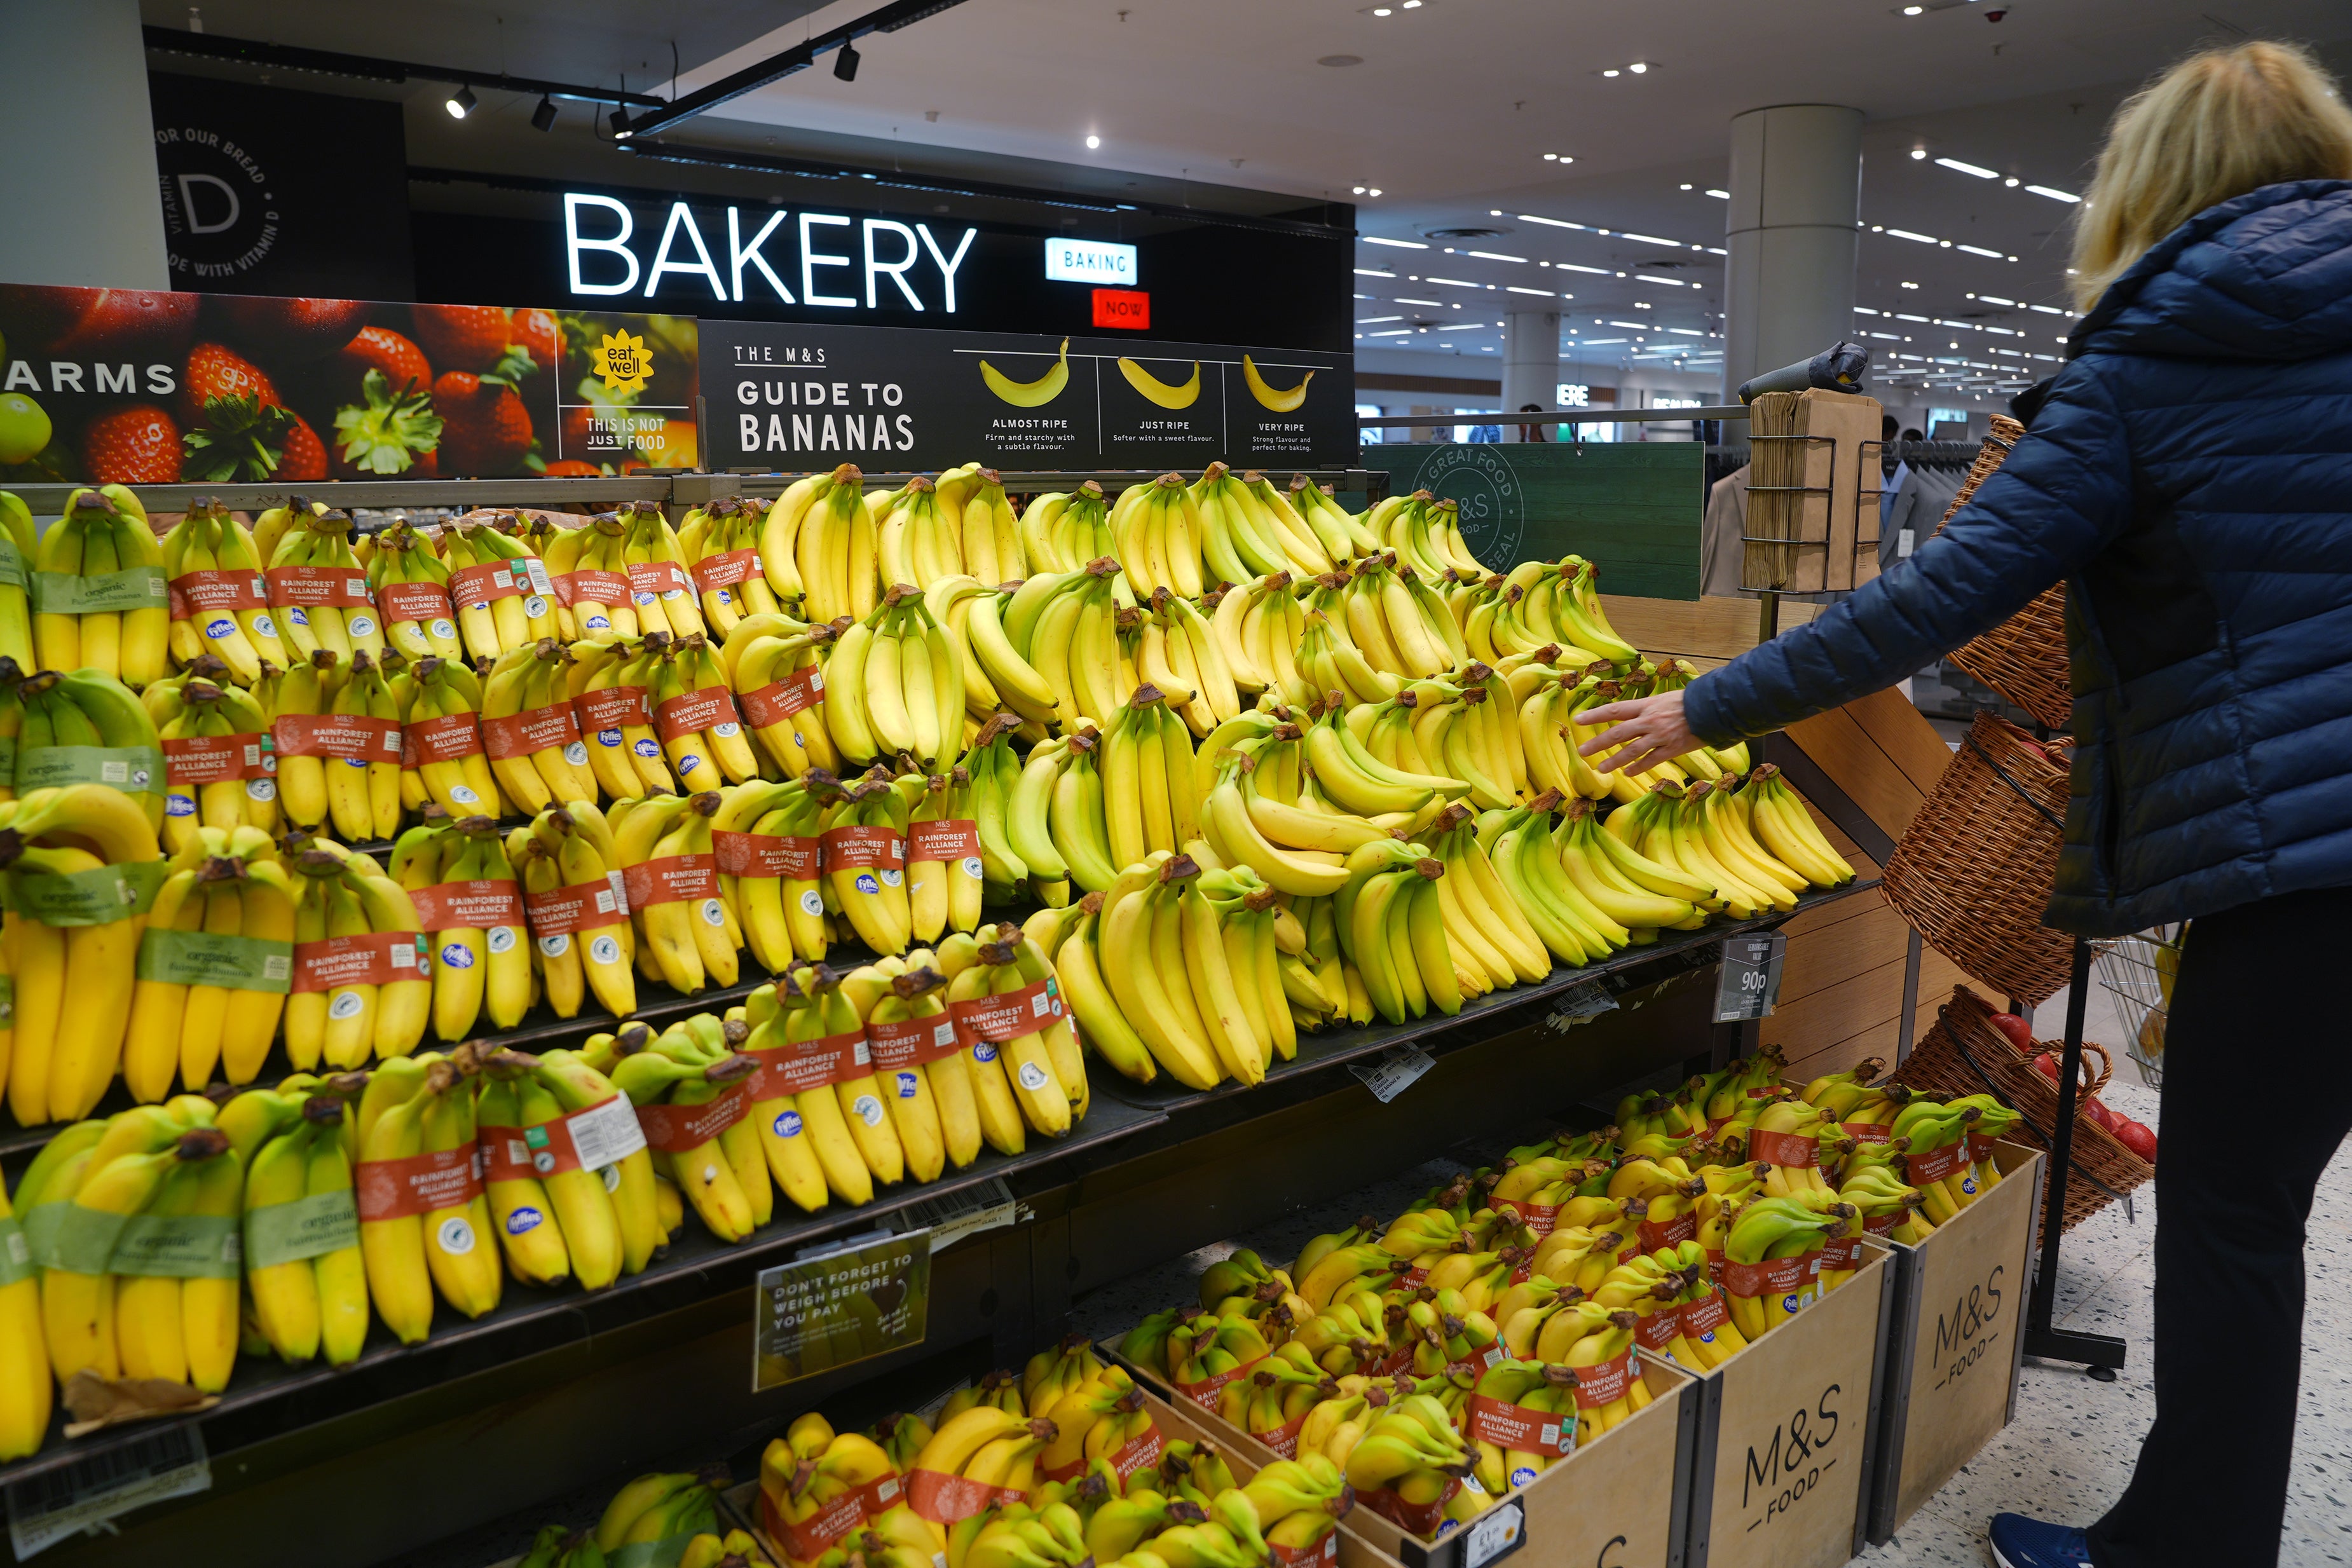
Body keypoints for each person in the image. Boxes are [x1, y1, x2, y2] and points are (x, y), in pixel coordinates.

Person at [1577, 39, 2352, 1568]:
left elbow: (1936, 600)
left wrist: (1699, 702)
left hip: (2296, 872)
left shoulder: (2146, 362)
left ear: (2155, 187)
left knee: (2231, 1221)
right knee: (2261, 1208)